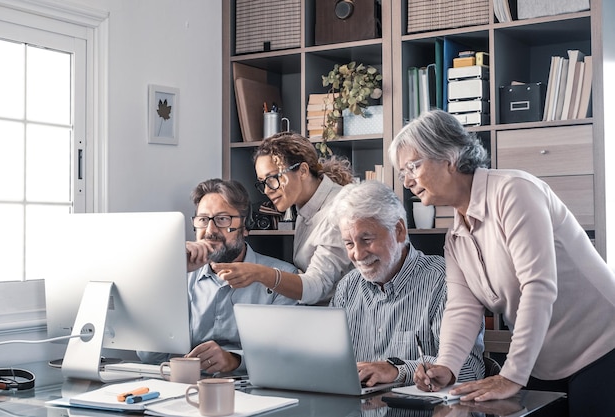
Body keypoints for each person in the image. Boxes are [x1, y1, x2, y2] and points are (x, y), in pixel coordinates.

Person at [389, 109, 615, 416]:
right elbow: (463, 308)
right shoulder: (456, 236)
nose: (408, 181)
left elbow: (538, 287)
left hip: (602, 347)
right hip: (542, 361)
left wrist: (511, 375)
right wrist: (446, 366)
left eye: (413, 166)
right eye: (403, 173)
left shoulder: (513, 191)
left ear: (449, 157)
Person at [327, 180, 485, 387]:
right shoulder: (348, 287)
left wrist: (396, 370)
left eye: (366, 240)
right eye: (349, 243)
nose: (357, 254)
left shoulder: (444, 281)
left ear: (399, 230)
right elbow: (328, 359)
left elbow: (470, 369)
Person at [137, 179, 297, 373]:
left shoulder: (283, 277)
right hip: (184, 386)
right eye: (203, 220)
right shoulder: (181, 275)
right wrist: (172, 274)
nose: (210, 231)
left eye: (222, 219)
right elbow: (148, 355)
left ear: (245, 226)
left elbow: (287, 354)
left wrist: (235, 360)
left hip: (253, 390)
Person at [211, 132, 354, 305]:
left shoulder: (339, 209)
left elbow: (317, 287)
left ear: (302, 171)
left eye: (273, 178)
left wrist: (260, 273)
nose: (267, 190)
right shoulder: (304, 209)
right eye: (263, 182)